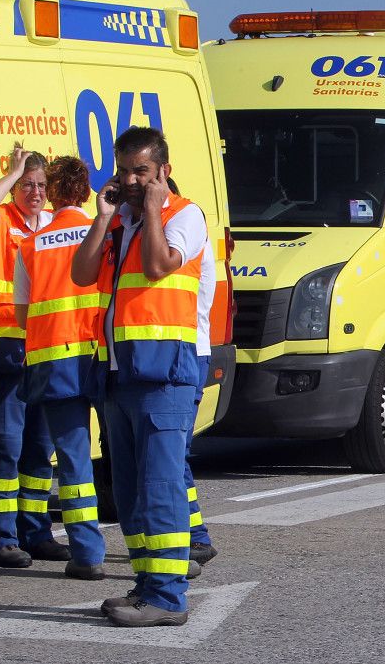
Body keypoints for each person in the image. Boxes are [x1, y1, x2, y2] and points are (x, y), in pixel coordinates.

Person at [72, 127, 207, 627]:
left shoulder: (183, 215)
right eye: (124, 170)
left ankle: (169, 596)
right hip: (118, 371)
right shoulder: (118, 221)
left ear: (163, 172)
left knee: (160, 486)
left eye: (141, 172)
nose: (130, 180)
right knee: (128, 490)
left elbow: (157, 267)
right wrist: (104, 217)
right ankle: (146, 583)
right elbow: (82, 276)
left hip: (164, 372)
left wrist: (151, 207)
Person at [0, 145, 67, 568]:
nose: (36, 192)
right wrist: (13, 172)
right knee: (4, 449)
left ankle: (35, 532)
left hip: (39, 350)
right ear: (14, 187)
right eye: (28, 185)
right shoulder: (0, 219)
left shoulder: (52, 227)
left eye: (42, 185)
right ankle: (1, 539)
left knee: (39, 450)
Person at [14, 156, 107, 581]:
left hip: (55, 362)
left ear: (50, 191)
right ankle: (151, 549)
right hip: (105, 357)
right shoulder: (105, 231)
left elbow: (21, 315)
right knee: (127, 454)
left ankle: (87, 554)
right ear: (87, 190)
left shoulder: (31, 245)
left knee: (73, 464)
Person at [166, 176, 219, 567]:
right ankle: (194, 534)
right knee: (174, 454)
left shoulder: (183, 227)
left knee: (173, 455)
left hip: (186, 352)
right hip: (190, 351)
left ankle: (195, 536)